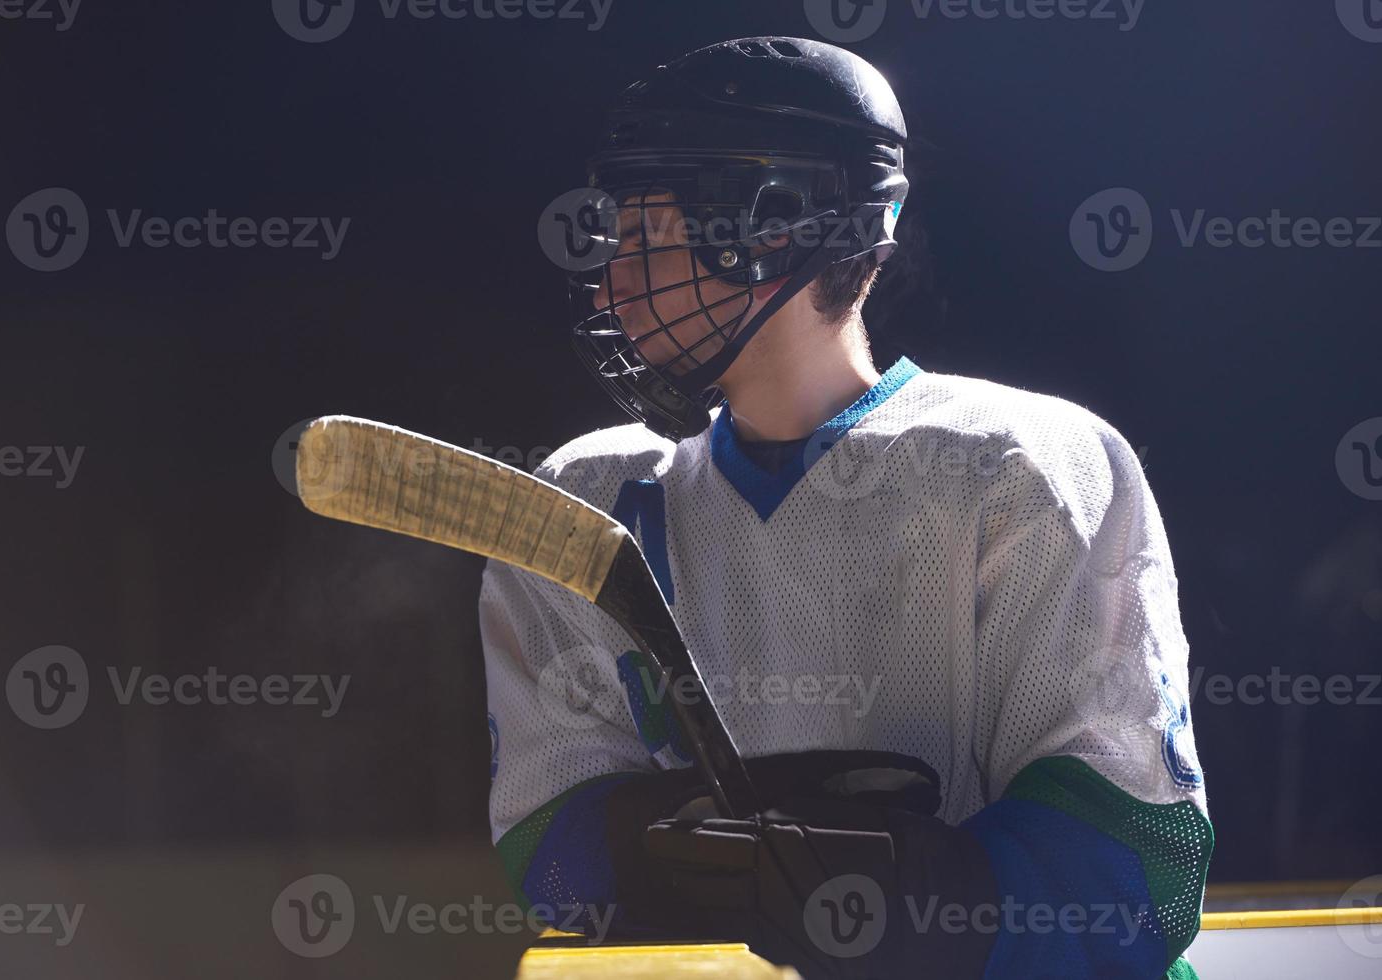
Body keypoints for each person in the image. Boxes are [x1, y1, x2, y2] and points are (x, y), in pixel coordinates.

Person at [481, 36, 1211, 979]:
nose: (616, 278)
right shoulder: (586, 497)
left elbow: (1127, 865)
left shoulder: (1022, 464)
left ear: (775, 226)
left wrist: (918, 898)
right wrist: (683, 856)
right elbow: (553, 837)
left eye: (651, 236)